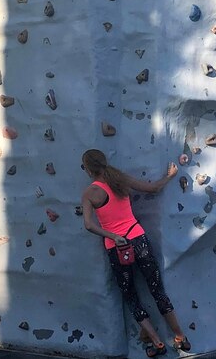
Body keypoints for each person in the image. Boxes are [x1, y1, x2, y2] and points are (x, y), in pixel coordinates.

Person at [81, 148, 191, 356]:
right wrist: (170, 176)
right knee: (157, 289)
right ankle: (180, 336)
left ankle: (157, 342)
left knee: (130, 295)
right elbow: (153, 188)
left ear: (87, 169)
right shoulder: (119, 179)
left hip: (117, 248)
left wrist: (112, 235)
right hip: (138, 238)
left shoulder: (90, 193)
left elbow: (88, 225)